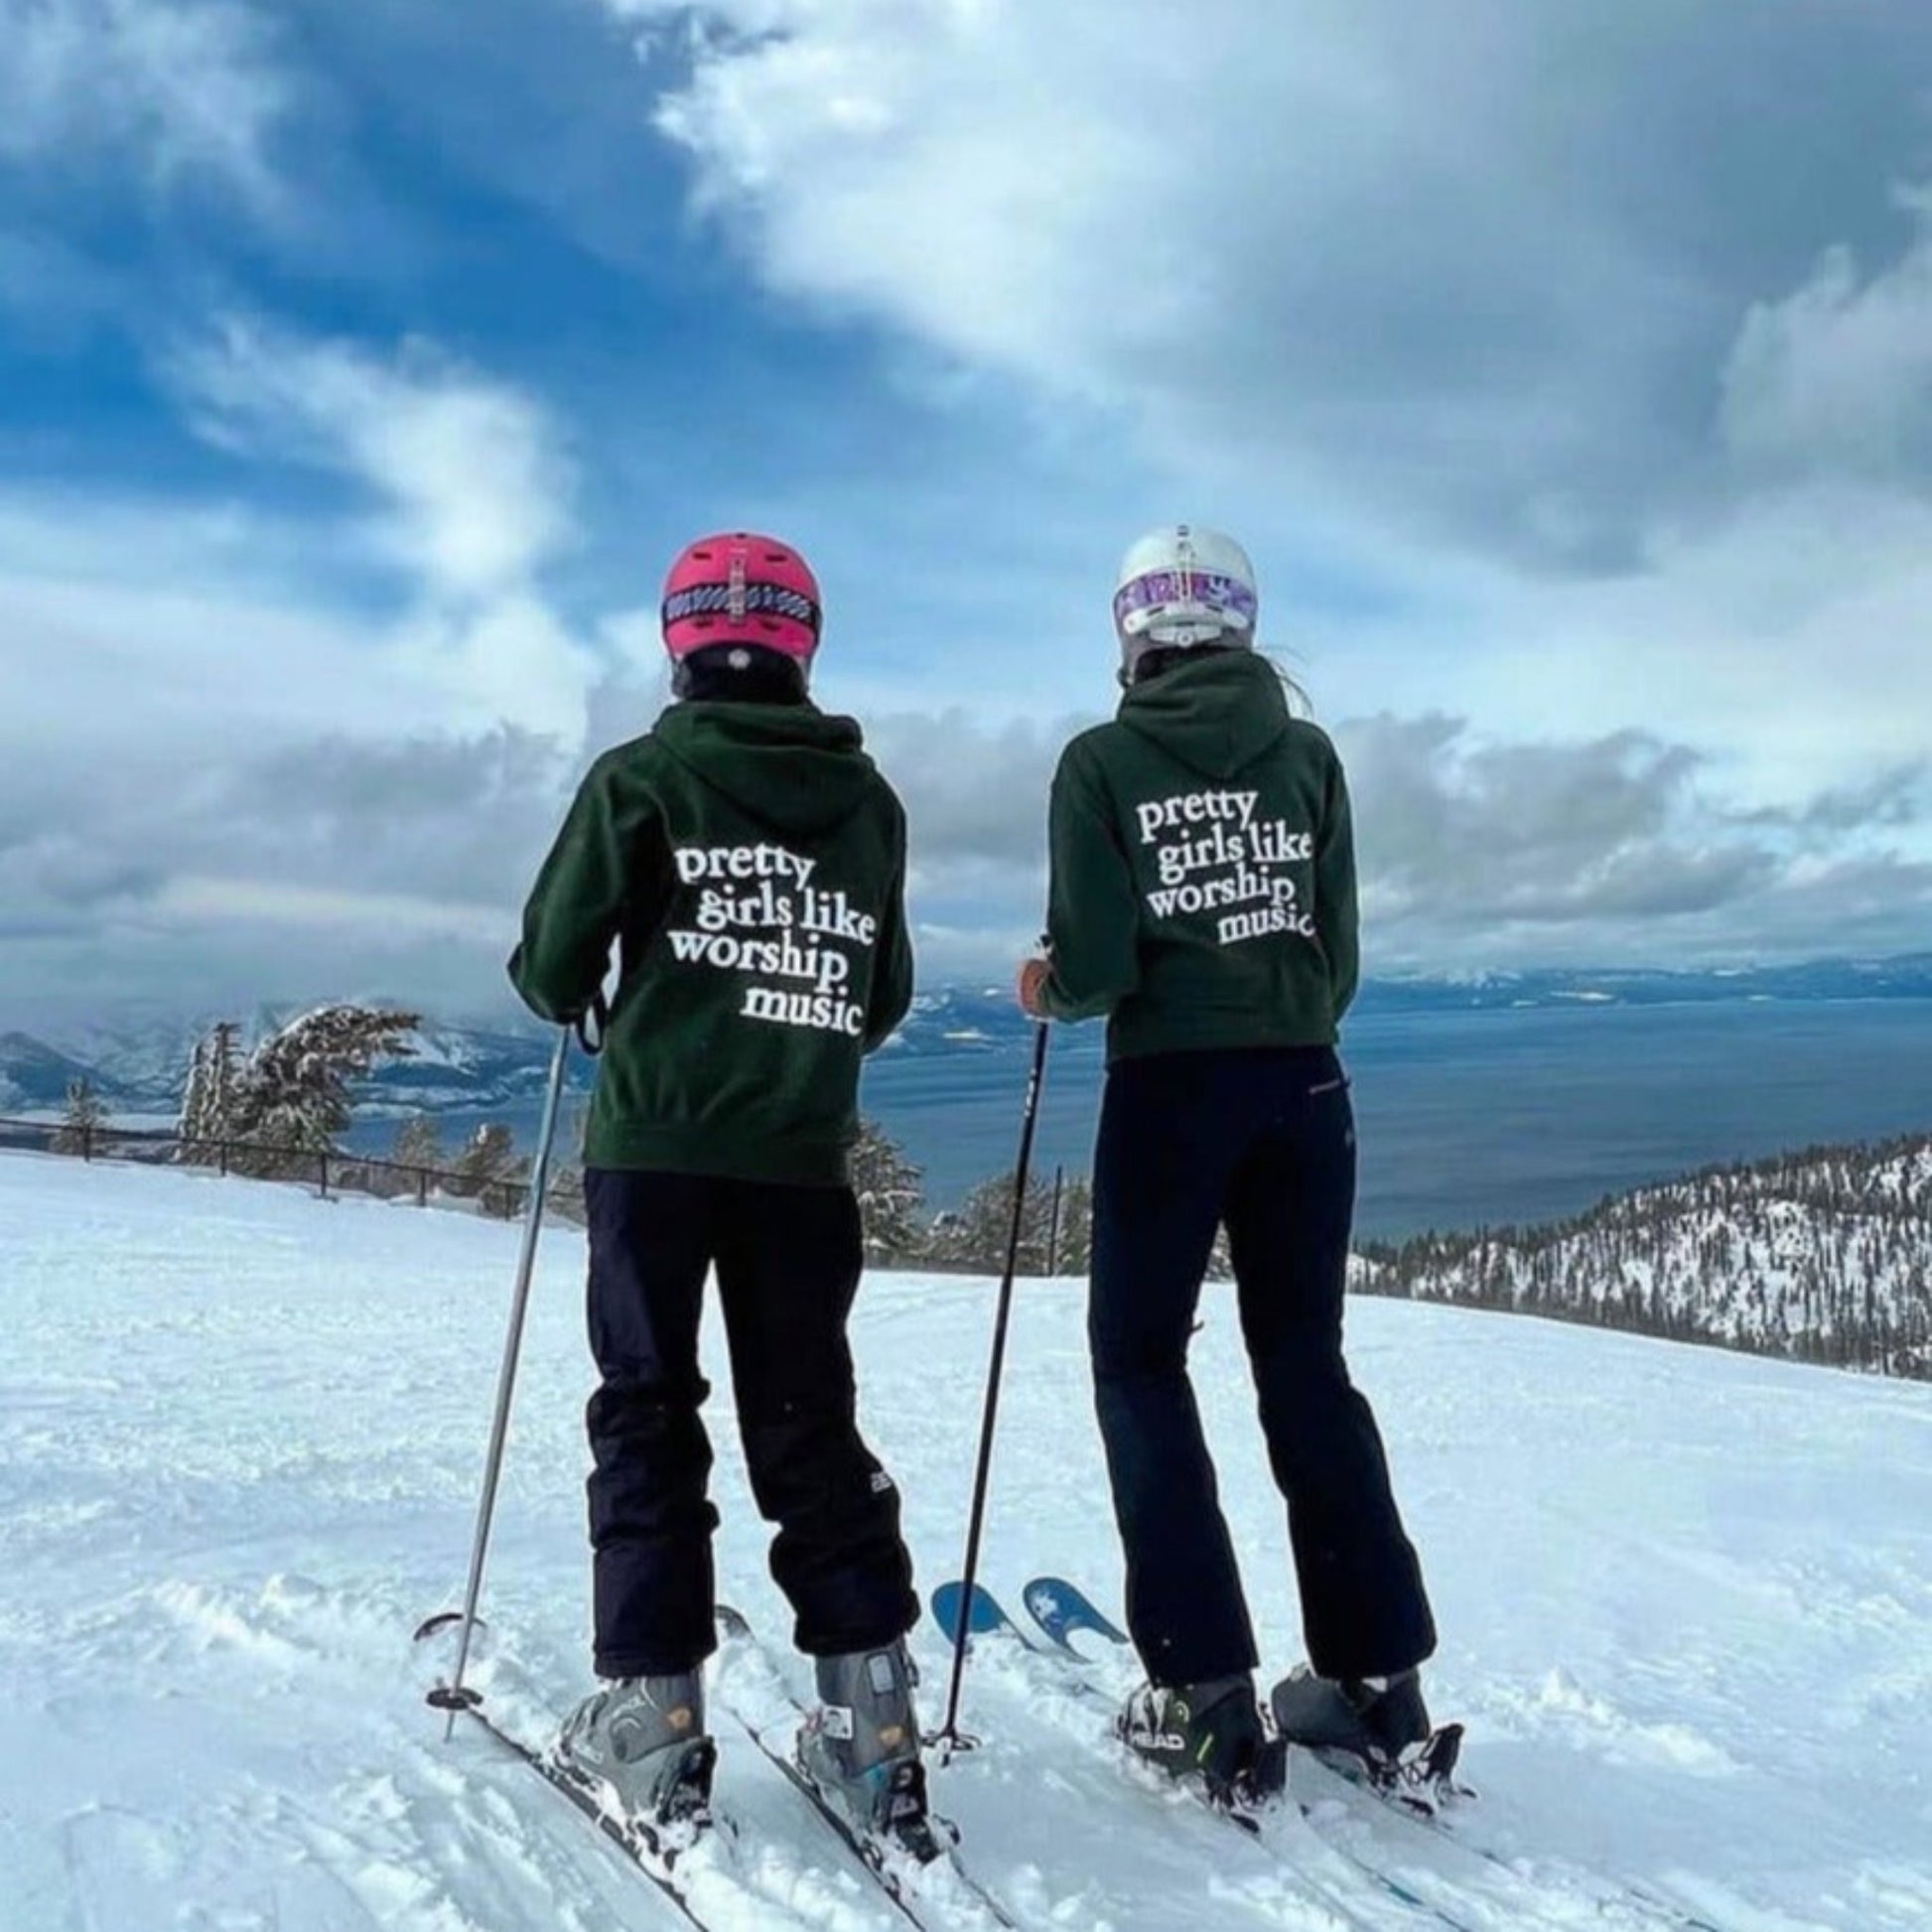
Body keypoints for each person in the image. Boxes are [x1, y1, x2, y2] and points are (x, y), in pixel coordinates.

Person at [508, 531, 925, 1840]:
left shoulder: (640, 777)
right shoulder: (868, 802)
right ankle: (872, 1728)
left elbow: (549, 962)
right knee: (806, 1419)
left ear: (679, 641)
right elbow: (884, 992)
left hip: (654, 1148)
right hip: (799, 1153)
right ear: (803, 642)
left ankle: (652, 1715)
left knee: (645, 1405)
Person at [1016, 523, 1437, 1805]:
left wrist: (1047, 983)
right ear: (1242, 625)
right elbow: (1339, 952)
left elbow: (1093, 966)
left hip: (1169, 1089)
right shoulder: (1305, 755)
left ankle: (1202, 1688)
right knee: (1304, 1364)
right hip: (1302, 1079)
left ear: (1130, 629)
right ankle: (1373, 1685)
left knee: (1140, 1363)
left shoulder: (1101, 759)